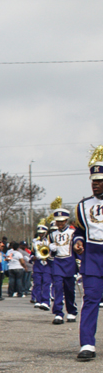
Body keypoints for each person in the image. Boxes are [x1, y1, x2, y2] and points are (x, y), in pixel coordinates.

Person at [73, 146, 103, 360]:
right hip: (92, 257)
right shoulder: (83, 206)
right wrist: (78, 241)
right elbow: (80, 231)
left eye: (100, 180)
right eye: (93, 180)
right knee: (91, 299)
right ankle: (87, 344)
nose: (96, 184)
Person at [48, 198, 78, 325]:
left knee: (69, 289)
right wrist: (52, 249)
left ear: (66, 221)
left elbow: (77, 248)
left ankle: (71, 311)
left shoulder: (73, 232)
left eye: (62, 221)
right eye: (58, 221)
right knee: (58, 288)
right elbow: (50, 252)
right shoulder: (52, 234)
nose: (60, 224)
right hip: (58, 263)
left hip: (70, 261)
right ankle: (58, 313)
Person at [31, 221, 52, 311]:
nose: (41, 234)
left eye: (42, 233)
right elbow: (31, 254)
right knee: (37, 283)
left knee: (46, 282)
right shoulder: (34, 242)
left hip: (47, 263)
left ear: (46, 233)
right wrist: (33, 257)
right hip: (38, 264)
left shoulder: (49, 241)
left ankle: (45, 301)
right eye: (39, 233)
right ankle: (38, 300)